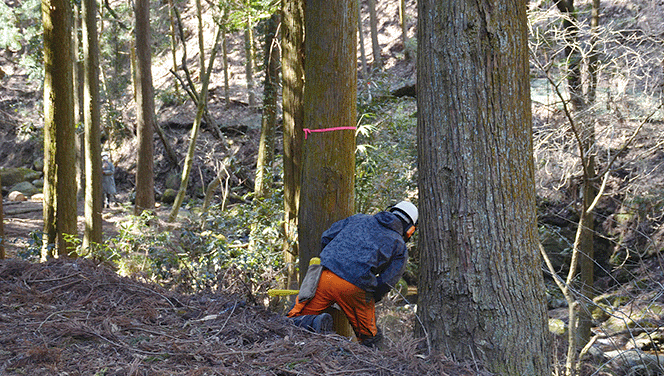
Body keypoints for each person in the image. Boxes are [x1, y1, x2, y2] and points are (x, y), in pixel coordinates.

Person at [287, 201, 418, 347]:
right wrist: (372, 297)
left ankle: (314, 322)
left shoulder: (358, 218)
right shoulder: (399, 245)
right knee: (371, 339)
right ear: (410, 229)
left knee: (293, 321)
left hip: (325, 277)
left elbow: (326, 237)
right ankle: (370, 365)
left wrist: (333, 261)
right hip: (356, 289)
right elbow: (387, 281)